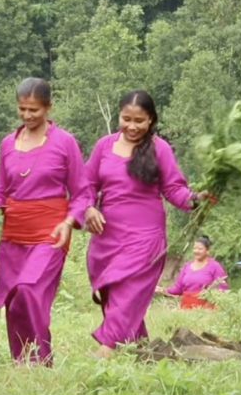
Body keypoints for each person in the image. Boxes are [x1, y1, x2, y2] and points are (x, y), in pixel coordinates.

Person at [84, 90, 213, 359]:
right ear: (118, 115)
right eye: (126, 119)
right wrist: (88, 208)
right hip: (106, 238)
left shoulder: (159, 148)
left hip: (145, 239)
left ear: (151, 120)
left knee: (128, 295)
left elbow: (175, 190)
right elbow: (85, 185)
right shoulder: (103, 147)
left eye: (139, 121)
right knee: (113, 296)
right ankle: (141, 352)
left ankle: (104, 351)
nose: (132, 126)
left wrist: (196, 199)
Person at [0, 78, 89, 365]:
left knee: (29, 292)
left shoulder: (64, 142)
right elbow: (0, 193)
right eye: (22, 109)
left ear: (48, 107)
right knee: (14, 302)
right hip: (13, 237)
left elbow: (82, 193)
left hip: (51, 233)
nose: (28, 116)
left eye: (34, 110)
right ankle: (22, 364)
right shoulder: (8, 143)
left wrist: (69, 222)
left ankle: (42, 361)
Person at [155, 236, 228, 309]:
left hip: (205, 310)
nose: (196, 251)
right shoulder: (187, 266)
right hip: (186, 309)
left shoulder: (215, 266)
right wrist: (162, 290)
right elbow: (178, 288)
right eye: (195, 248)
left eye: (200, 249)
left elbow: (221, 289)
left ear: (207, 251)